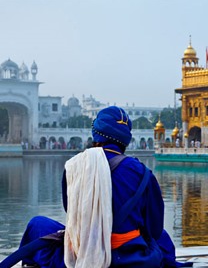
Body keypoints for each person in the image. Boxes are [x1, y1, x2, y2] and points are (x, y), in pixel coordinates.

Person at [1, 106, 191, 268]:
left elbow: (73, 214)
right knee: (162, 237)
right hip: (130, 259)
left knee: (38, 224)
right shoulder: (142, 172)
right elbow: (154, 228)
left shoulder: (74, 167)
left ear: (96, 134)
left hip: (84, 252)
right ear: (125, 139)